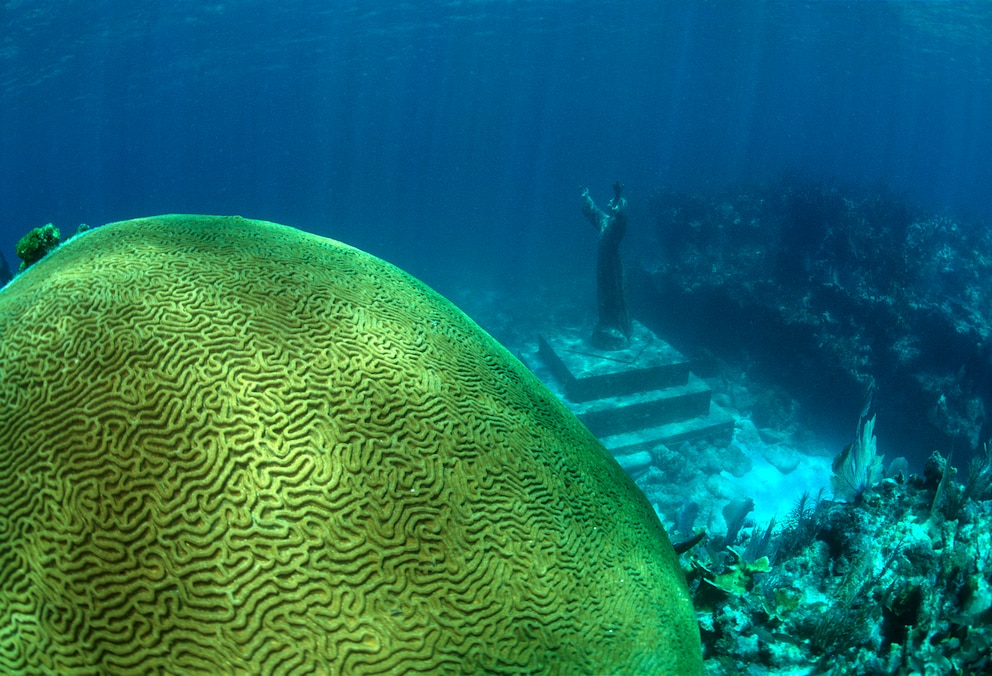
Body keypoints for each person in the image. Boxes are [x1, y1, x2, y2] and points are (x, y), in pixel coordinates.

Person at [580, 181, 633, 350]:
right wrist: (587, 197)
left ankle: (618, 325)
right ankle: (607, 321)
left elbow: (622, 219)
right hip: (603, 268)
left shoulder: (616, 226)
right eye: (611, 202)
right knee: (604, 293)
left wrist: (618, 197)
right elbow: (594, 213)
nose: (609, 204)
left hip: (613, 267)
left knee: (615, 293)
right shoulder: (606, 222)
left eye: (612, 203)